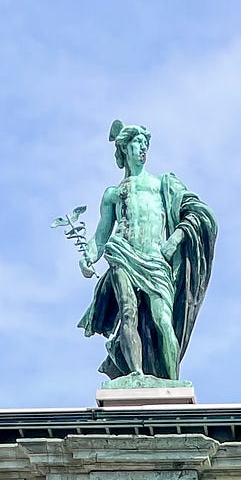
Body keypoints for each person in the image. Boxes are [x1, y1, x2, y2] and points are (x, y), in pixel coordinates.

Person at [77, 119, 217, 383]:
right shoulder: (114, 193)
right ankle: (137, 374)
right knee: (128, 312)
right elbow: (101, 234)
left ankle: (172, 380)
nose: (143, 150)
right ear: (124, 149)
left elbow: (199, 212)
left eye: (145, 145)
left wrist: (176, 238)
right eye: (138, 144)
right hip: (122, 253)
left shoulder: (163, 184)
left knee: (163, 319)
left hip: (155, 260)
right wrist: (88, 256)